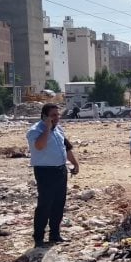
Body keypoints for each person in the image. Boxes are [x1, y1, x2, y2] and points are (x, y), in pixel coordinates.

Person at [26, 103, 79, 248]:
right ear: (44, 116)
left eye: (58, 114)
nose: (57, 118)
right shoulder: (35, 131)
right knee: (45, 204)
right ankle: (38, 238)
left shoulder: (59, 129)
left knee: (58, 204)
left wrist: (75, 164)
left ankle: (55, 234)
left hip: (60, 170)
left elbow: (67, 149)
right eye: (53, 115)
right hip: (45, 172)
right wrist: (47, 128)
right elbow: (39, 146)